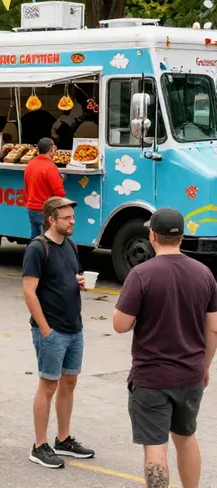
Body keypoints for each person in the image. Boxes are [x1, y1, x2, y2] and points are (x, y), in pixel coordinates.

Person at [113, 208, 217, 488]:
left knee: (156, 448)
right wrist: (204, 366)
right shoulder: (204, 273)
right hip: (191, 374)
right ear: (182, 237)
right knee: (185, 438)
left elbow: (121, 325)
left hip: (152, 378)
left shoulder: (141, 274)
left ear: (151, 236)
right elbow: (214, 327)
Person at [22, 196, 94, 468]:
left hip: (74, 327)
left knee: (69, 383)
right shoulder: (38, 248)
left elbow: (72, 277)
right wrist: (45, 329)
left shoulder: (71, 245)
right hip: (52, 330)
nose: (72, 221)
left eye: (72, 217)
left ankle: (63, 439)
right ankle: (39, 445)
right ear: (51, 219)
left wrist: (80, 282)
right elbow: (29, 292)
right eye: (67, 218)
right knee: (48, 385)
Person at [24, 137, 65, 240]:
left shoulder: (29, 165)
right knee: (48, 241)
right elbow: (59, 193)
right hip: (45, 210)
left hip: (31, 208)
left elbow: (27, 187)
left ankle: (33, 256)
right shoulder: (50, 167)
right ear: (51, 150)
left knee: (35, 240)